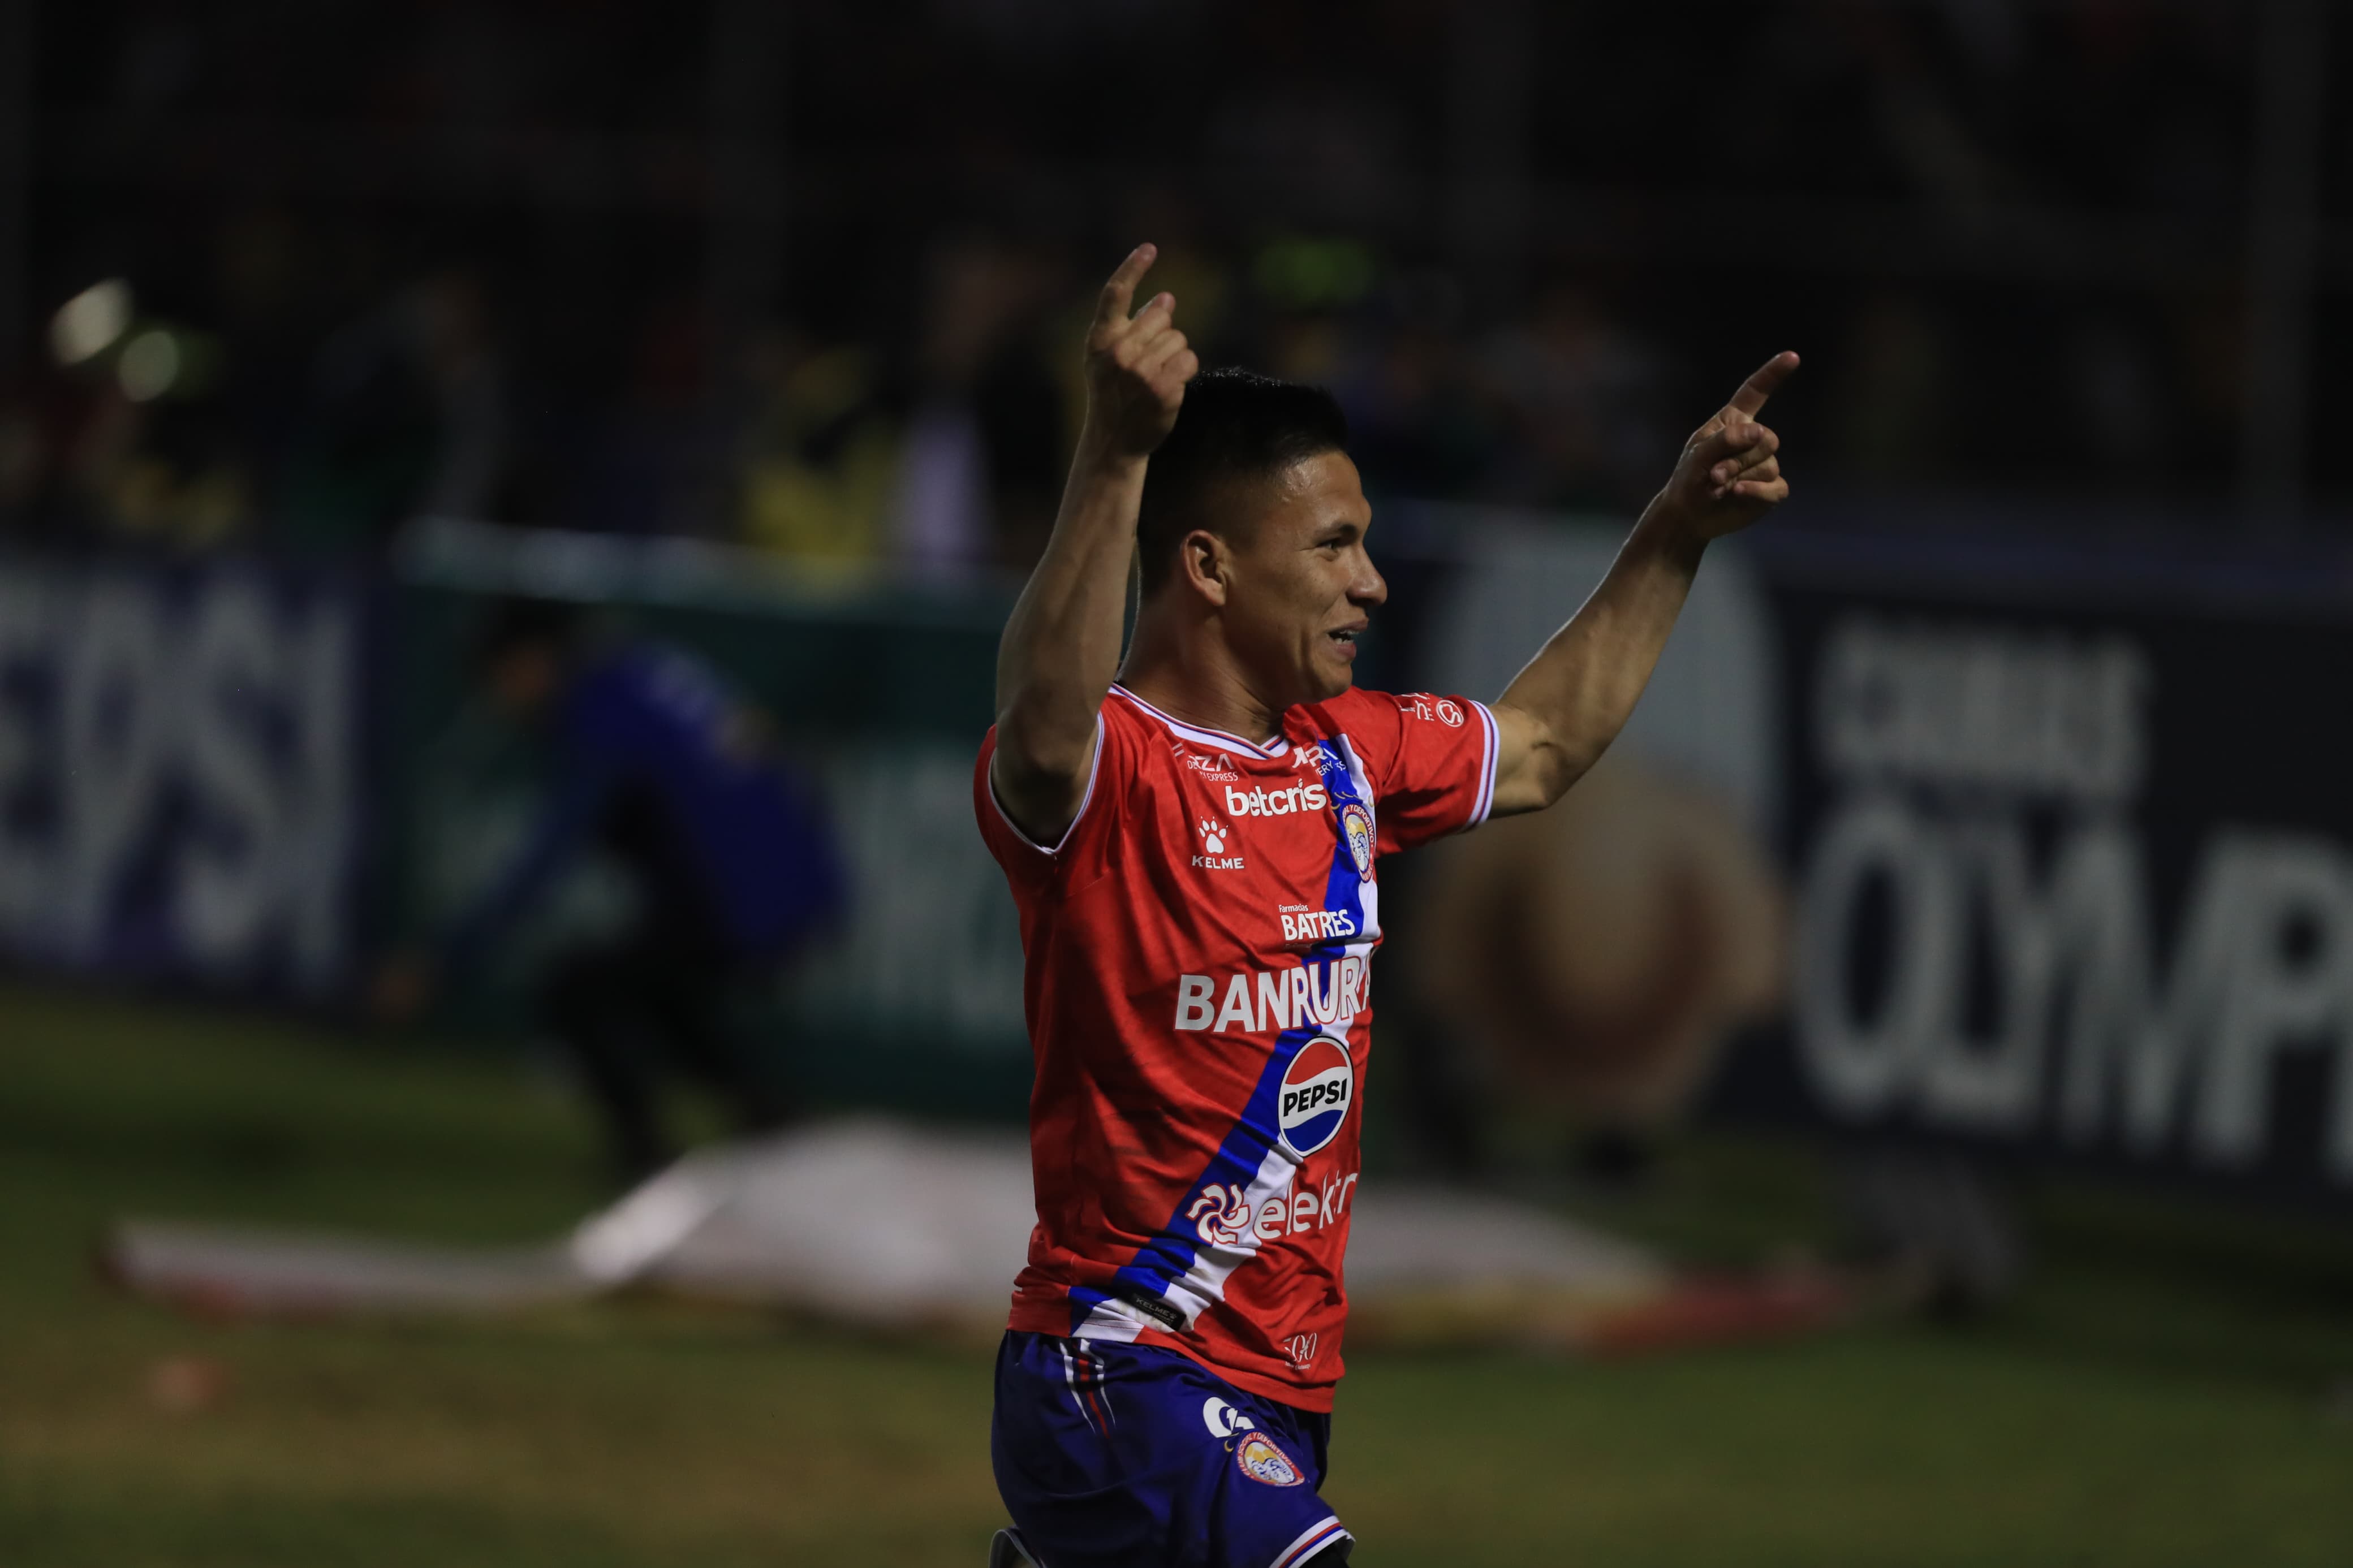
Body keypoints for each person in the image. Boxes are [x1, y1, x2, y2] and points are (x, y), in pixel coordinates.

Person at [975, 244, 1794, 1568]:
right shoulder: (1116, 774)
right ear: (1209, 567)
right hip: (1122, 1366)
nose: (1373, 582)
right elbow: (1043, 719)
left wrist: (1674, 529)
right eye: (1335, 546)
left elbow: (1541, 744)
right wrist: (1116, 454)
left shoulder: (1349, 753)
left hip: (1281, 1385)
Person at [381, 600, 845, 1182]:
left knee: (579, 986)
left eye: (498, 673)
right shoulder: (631, 676)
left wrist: (441, 960)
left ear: (533, 659)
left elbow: (548, 860)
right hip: (781, 879)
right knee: (656, 984)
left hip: (749, 892)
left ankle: (649, 1154)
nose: (498, 694)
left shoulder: (600, 708)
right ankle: (769, 1117)